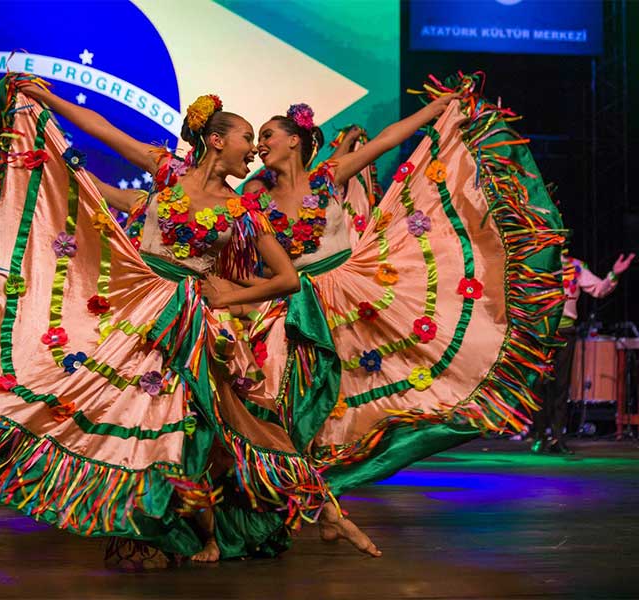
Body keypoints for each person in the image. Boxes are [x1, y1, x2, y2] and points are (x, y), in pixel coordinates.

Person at [0, 74, 376, 565]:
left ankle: (314, 507)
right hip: (140, 308)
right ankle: (148, 528)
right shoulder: (166, 174)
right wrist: (46, 98)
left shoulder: (243, 210)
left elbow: (288, 278)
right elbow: (103, 129)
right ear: (216, 141)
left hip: (192, 322)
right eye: (247, 138)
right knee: (133, 414)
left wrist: (229, 293)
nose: (252, 150)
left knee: (226, 421)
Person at [213, 73, 565, 521]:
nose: (260, 145)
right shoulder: (255, 198)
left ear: (295, 141)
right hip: (294, 305)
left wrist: (434, 111)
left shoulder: (328, 177)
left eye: (267, 135)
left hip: (349, 295)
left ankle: (320, 495)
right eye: (256, 138)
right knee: (297, 401)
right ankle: (304, 493)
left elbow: (384, 141)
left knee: (365, 391)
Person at [532, 250, 635, 454]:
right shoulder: (536, 263)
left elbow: (598, 289)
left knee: (561, 385)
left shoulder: (574, 266)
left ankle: (557, 438)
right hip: (539, 331)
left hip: (564, 331)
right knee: (538, 384)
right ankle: (539, 436)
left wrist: (613, 274)